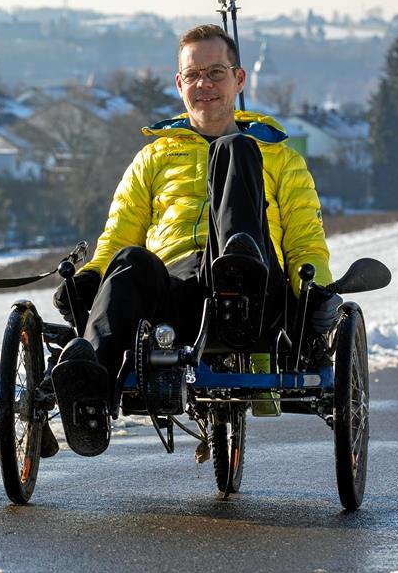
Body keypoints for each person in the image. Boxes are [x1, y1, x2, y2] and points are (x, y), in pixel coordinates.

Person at [50, 24, 341, 443]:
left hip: (256, 293)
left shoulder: (278, 157)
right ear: (179, 84)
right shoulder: (154, 157)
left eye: (216, 73)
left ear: (239, 79)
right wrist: (93, 278)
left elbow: (304, 239)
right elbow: (118, 236)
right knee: (132, 260)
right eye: (193, 75)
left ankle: (237, 271)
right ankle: (89, 388)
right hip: (176, 291)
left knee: (235, 148)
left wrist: (317, 292)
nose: (204, 84)